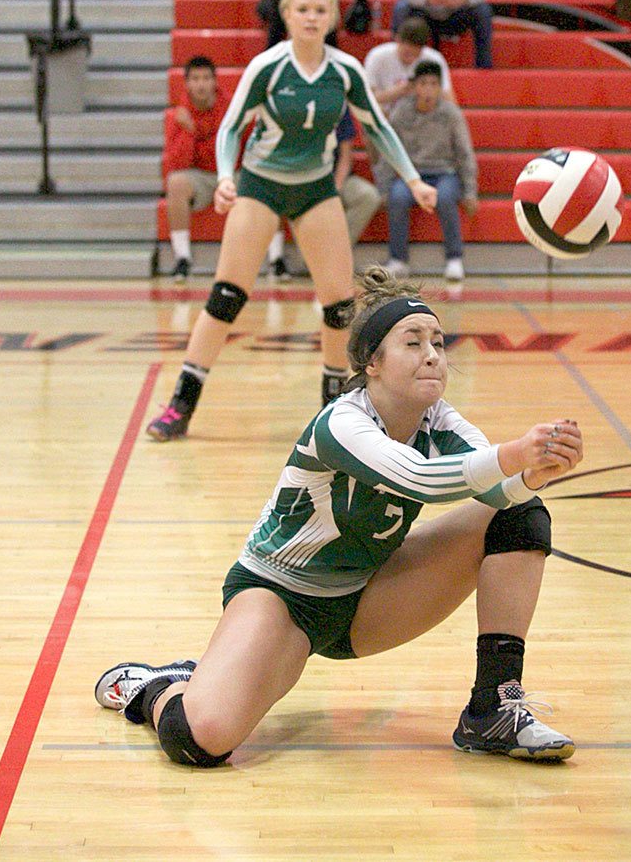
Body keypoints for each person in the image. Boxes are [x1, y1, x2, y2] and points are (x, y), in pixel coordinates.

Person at [100, 267, 583, 766]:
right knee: (200, 739)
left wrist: (534, 473)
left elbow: (491, 485)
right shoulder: (342, 422)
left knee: (518, 513)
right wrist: (516, 455)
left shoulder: (437, 418)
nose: (433, 355)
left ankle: (492, 711)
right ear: (372, 362)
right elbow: (418, 478)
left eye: (438, 342)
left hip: (366, 598)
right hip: (282, 598)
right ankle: (156, 685)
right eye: (413, 343)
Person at [145, 0, 437, 442]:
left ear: (332, 16)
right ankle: (182, 403)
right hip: (260, 184)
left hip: (314, 187)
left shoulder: (345, 70)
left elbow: (378, 128)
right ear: (285, 14)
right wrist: (224, 178)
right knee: (226, 298)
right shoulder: (269, 66)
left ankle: (334, 411)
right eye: (302, 9)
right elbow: (231, 126)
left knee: (340, 306)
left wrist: (414, 179)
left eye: (320, 10)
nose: (310, 17)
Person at [383, 60, 477, 282]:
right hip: (412, 175)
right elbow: (389, 150)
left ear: (440, 88)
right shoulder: (402, 112)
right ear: (414, 86)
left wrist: (470, 192)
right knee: (396, 197)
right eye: (423, 83)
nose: (428, 90)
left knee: (444, 198)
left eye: (434, 84)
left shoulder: (451, 113)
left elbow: (465, 153)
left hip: (445, 173)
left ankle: (454, 258)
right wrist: (383, 187)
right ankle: (398, 260)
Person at [163, 57, 231, 281]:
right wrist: (190, 130)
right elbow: (177, 163)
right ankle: (182, 258)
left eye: (205, 78)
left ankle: (277, 259)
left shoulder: (230, 108)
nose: (201, 84)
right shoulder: (179, 116)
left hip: (229, 172)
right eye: (195, 79)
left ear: (215, 82)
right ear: (187, 84)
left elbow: (235, 151)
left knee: (267, 178)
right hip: (200, 176)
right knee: (176, 183)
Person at [365, 17, 453, 115]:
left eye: (415, 55)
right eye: (407, 53)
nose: (410, 59)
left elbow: (448, 99)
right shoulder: (377, 57)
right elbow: (366, 99)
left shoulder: (434, 59)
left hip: (421, 118)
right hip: (385, 116)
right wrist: (397, 92)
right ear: (398, 40)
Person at [331, 110, 384, 250]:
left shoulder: (340, 108)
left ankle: (336, 253)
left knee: (369, 196)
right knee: (299, 197)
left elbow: (345, 157)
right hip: (308, 179)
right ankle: (313, 256)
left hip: (339, 177)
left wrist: (334, 190)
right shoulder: (299, 106)